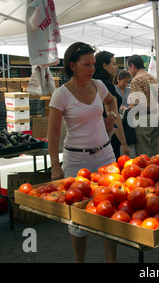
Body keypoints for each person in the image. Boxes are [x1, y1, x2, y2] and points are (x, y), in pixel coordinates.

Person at [47, 42, 124, 263]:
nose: (91, 69)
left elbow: (111, 101)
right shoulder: (61, 94)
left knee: (110, 212)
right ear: (72, 65)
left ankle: (112, 261)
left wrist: (112, 118)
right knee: (77, 219)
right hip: (75, 159)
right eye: (86, 65)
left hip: (106, 155)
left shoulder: (99, 85)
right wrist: (54, 165)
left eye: (93, 64)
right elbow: (52, 134)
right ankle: (79, 261)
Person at [93, 51, 129, 160]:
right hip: (108, 136)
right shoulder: (106, 86)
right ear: (104, 65)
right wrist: (123, 143)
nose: (116, 67)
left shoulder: (93, 84)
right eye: (113, 64)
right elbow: (114, 117)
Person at [127, 54, 159, 157]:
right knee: (154, 151)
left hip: (143, 118)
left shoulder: (136, 80)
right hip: (155, 116)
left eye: (128, 68)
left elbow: (140, 104)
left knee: (144, 153)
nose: (129, 71)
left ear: (133, 66)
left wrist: (129, 108)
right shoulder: (153, 78)